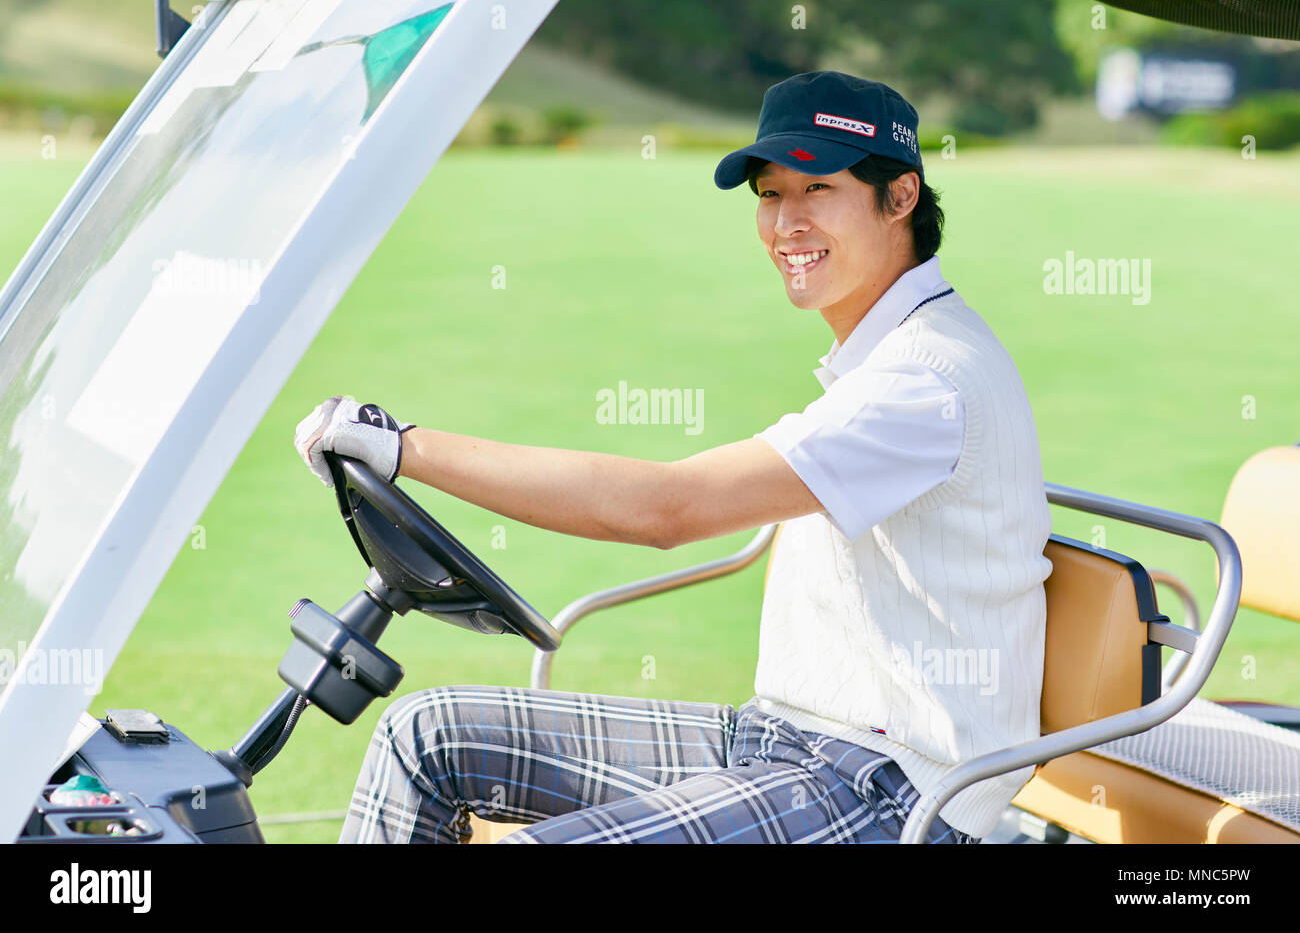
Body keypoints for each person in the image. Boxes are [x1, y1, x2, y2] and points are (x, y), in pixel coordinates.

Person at [294, 71, 1052, 844]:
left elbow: (666, 510)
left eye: (817, 189)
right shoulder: (883, 356)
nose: (786, 223)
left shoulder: (924, 379)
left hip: (892, 792)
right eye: (769, 195)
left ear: (901, 198)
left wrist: (404, 447)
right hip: (780, 740)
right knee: (424, 735)